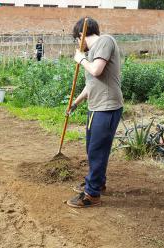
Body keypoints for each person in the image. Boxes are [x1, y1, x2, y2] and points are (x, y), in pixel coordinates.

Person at [65, 17, 124, 208]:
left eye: (77, 39)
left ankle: (92, 195)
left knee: (97, 150)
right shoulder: (92, 54)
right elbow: (91, 84)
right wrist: (75, 102)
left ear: (81, 35)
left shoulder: (105, 41)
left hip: (107, 106)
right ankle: (98, 182)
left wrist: (81, 58)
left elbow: (97, 71)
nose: (78, 43)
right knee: (93, 149)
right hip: (95, 106)